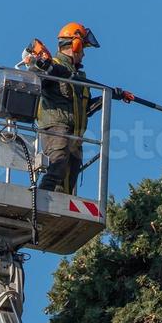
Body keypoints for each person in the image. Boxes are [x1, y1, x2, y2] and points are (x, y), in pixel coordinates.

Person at [23, 22, 109, 194]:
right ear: (75, 45)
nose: (83, 54)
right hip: (57, 128)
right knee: (57, 166)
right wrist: (43, 66)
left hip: (76, 134)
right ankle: (41, 202)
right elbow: (38, 78)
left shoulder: (79, 77)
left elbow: (86, 108)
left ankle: (57, 206)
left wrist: (108, 97)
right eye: (83, 48)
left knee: (70, 179)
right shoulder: (52, 66)